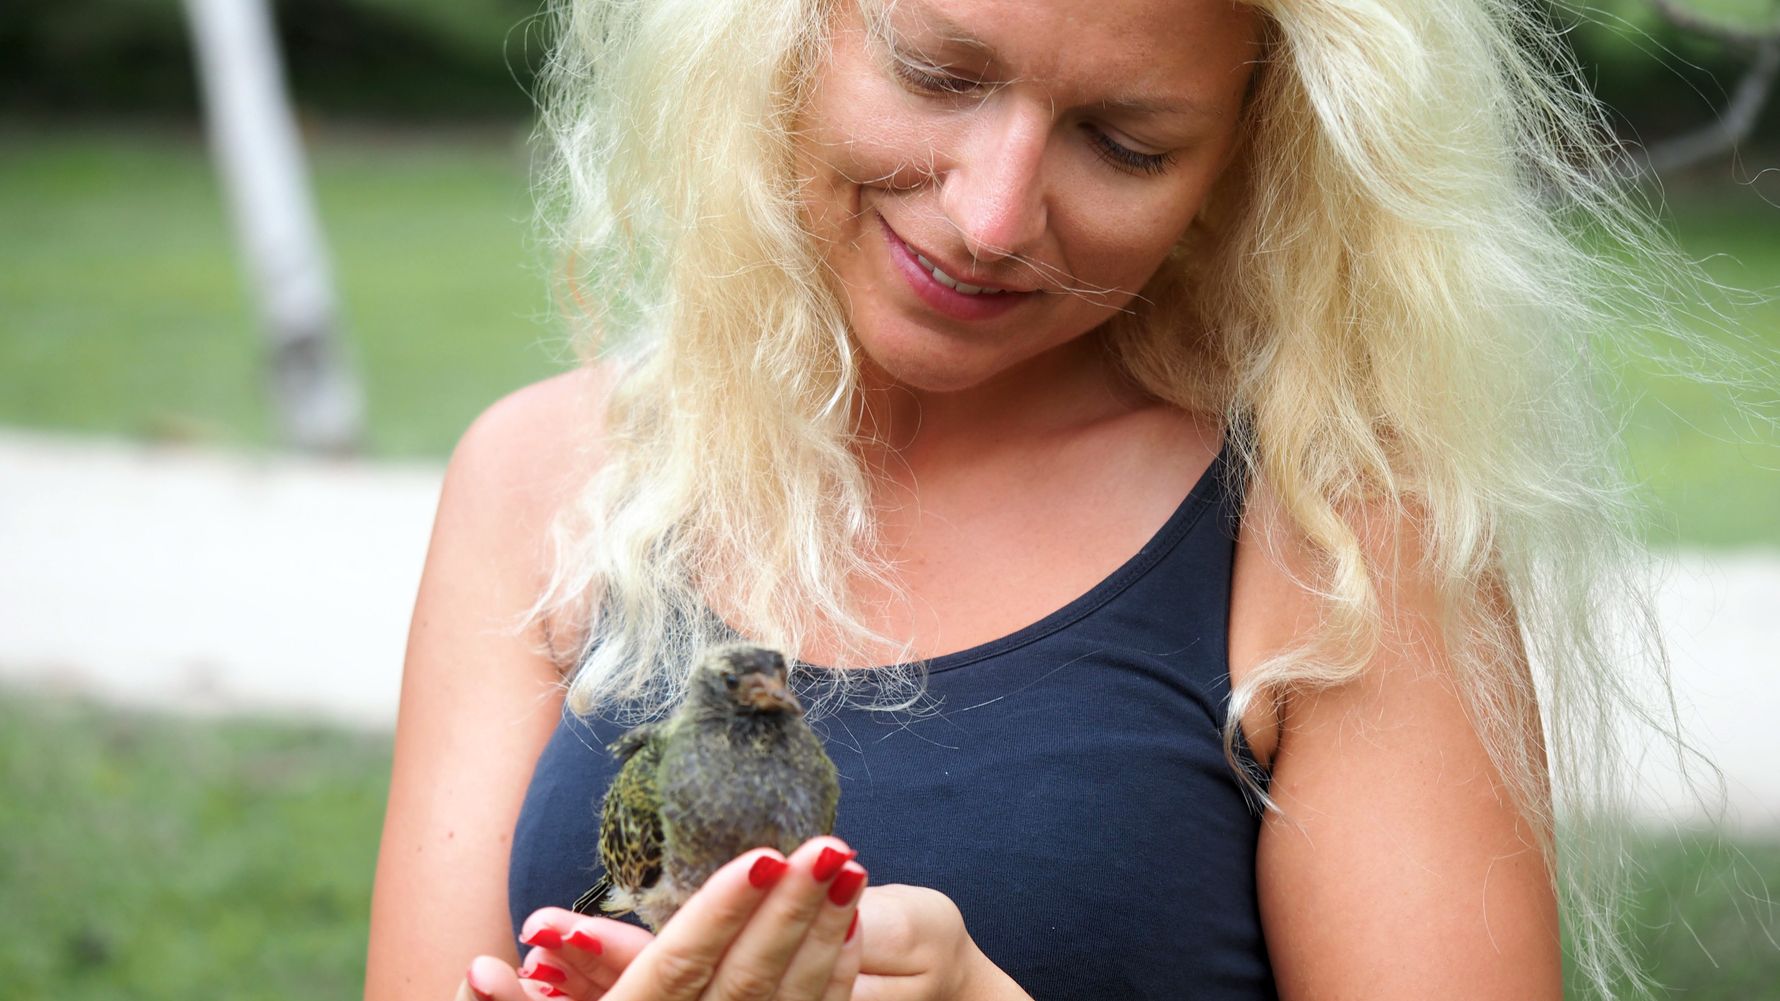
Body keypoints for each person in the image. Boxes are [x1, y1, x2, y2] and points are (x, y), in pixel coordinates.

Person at [365, 0, 1710, 998]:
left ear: (1249, 160)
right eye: (937, 74)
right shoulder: (546, 480)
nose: (994, 217)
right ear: (782, 31)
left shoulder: (1339, 542)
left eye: (1125, 143)